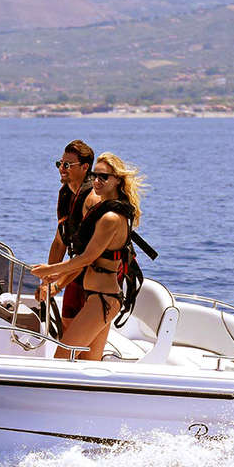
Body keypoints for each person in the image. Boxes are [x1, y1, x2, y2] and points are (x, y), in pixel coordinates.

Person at [32, 153, 145, 361]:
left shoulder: (111, 218)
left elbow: (87, 258)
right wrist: (56, 277)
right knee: (89, 364)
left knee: (62, 357)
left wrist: (50, 270)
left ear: (117, 180)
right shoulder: (103, 210)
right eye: (94, 175)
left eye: (104, 177)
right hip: (100, 297)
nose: (97, 181)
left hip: (103, 300)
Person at [42, 139, 95, 319]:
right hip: (76, 268)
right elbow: (59, 242)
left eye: (67, 165)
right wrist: (47, 281)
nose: (61, 169)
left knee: (81, 330)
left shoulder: (92, 199)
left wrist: (57, 286)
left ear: (85, 167)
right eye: (60, 164)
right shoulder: (67, 194)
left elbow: (88, 255)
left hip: (97, 274)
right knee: (67, 323)